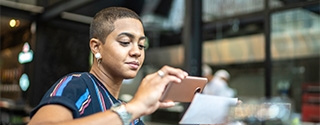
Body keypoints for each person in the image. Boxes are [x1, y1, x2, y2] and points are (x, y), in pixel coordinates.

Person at [28, 7, 188, 125]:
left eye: (141, 45)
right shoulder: (78, 85)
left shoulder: (133, 118)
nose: (136, 52)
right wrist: (134, 108)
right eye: (125, 42)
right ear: (96, 47)